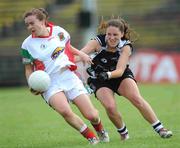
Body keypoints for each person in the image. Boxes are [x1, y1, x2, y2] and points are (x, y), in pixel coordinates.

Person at [20, 8, 110, 145]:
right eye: (27, 24)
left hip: (68, 75)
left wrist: (81, 54)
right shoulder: (27, 45)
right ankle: (91, 137)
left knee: (92, 115)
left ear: (43, 21)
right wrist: (31, 84)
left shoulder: (59, 31)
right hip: (48, 83)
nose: (29, 27)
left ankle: (100, 130)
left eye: (32, 23)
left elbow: (67, 47)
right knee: (64, 111)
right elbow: (28, 69)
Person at [79, 17, 173, 140]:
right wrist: (66, 60)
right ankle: (124, 133)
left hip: (119, 76)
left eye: (115, 35)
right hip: (99, 79)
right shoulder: (96, 42)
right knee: (110, 107)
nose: (111, 38)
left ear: (122, 34)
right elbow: (80, 54)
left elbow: (120, 71)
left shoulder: (126, 47)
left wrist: (108, 74)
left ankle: (160, 129)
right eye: (109, 34)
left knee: (136, 99)